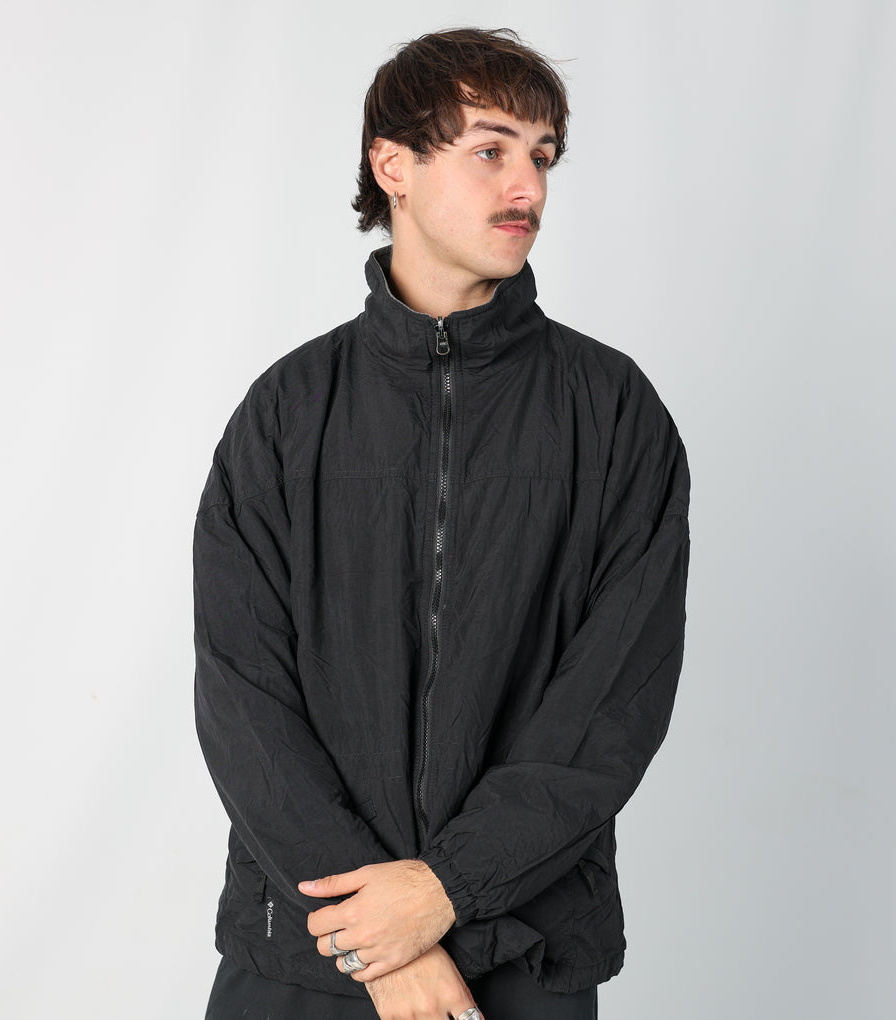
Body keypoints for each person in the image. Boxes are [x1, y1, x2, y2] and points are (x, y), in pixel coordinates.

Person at [194, 26, 691, 1020]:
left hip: (524, 943)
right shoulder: (287, 411)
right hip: (307, 948)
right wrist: (378, 938)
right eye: (490, 149)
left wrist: (444, 889)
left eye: (542, 155)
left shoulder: (612, 410)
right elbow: (244, 697)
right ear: (395, 166)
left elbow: (613, 699)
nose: (528, 186)